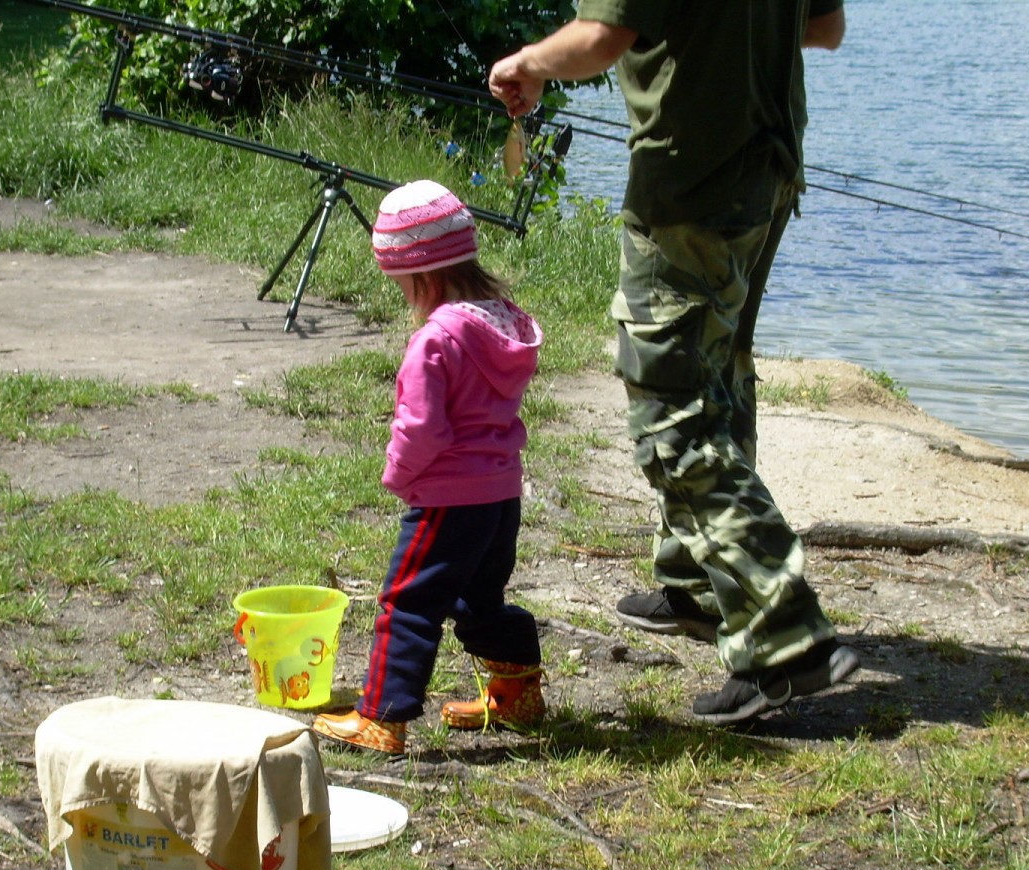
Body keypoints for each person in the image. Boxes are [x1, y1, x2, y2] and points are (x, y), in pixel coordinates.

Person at [488, 1, 859, 724]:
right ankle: (696, 584)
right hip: (767, 171)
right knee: (718, 380)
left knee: (673, 415)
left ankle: (785, 640)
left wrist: (527, 62)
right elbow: (823, 26)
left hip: (693, 187)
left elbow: (601, 37)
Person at [312, 180, 546, 755]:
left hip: (447, 497)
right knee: (477, 600)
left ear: (423, 275)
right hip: (500, 494)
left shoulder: (435, 340)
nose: (404, 297)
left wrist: (398, 474)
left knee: (408, 600)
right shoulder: (504, 323)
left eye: (402, 285)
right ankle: (518, 694)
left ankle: (382, 718)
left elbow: (422, 429)